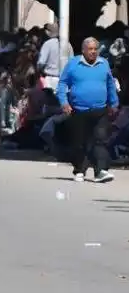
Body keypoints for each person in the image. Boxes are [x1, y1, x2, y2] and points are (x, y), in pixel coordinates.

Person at [57, 36, 118, 183]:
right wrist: (64, 102)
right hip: (79, 109)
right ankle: (80, 170)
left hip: (100, 110)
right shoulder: (73, 64)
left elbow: (110, 84)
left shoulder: (103, 63)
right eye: (90, 49)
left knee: (100, 140)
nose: (93, 52)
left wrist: (114, 103)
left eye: (95, 49)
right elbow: (62, 84)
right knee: (80, 142)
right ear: (83, 50)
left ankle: (100, 171)